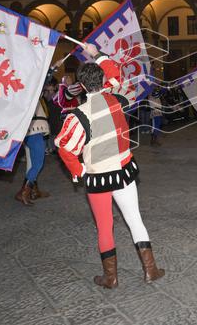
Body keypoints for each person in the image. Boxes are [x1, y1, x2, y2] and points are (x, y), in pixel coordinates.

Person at [55, 60, 164, 288]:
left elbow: (65, 148)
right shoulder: (118, 100)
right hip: (124, 170)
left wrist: (80, 170)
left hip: (98, 177)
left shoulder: (78, 115)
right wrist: (99, 56)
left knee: (105, 227)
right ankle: (151, 270)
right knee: (135, 219)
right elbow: (119, 77)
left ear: (82, 86)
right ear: (103, 81)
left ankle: (111, 277)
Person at [17, 94, 51, 205]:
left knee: (32, 164)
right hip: (35, 129)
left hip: (30, 130)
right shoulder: (30, 90)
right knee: (37, 164)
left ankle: (34, 191)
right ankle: (24, 192)